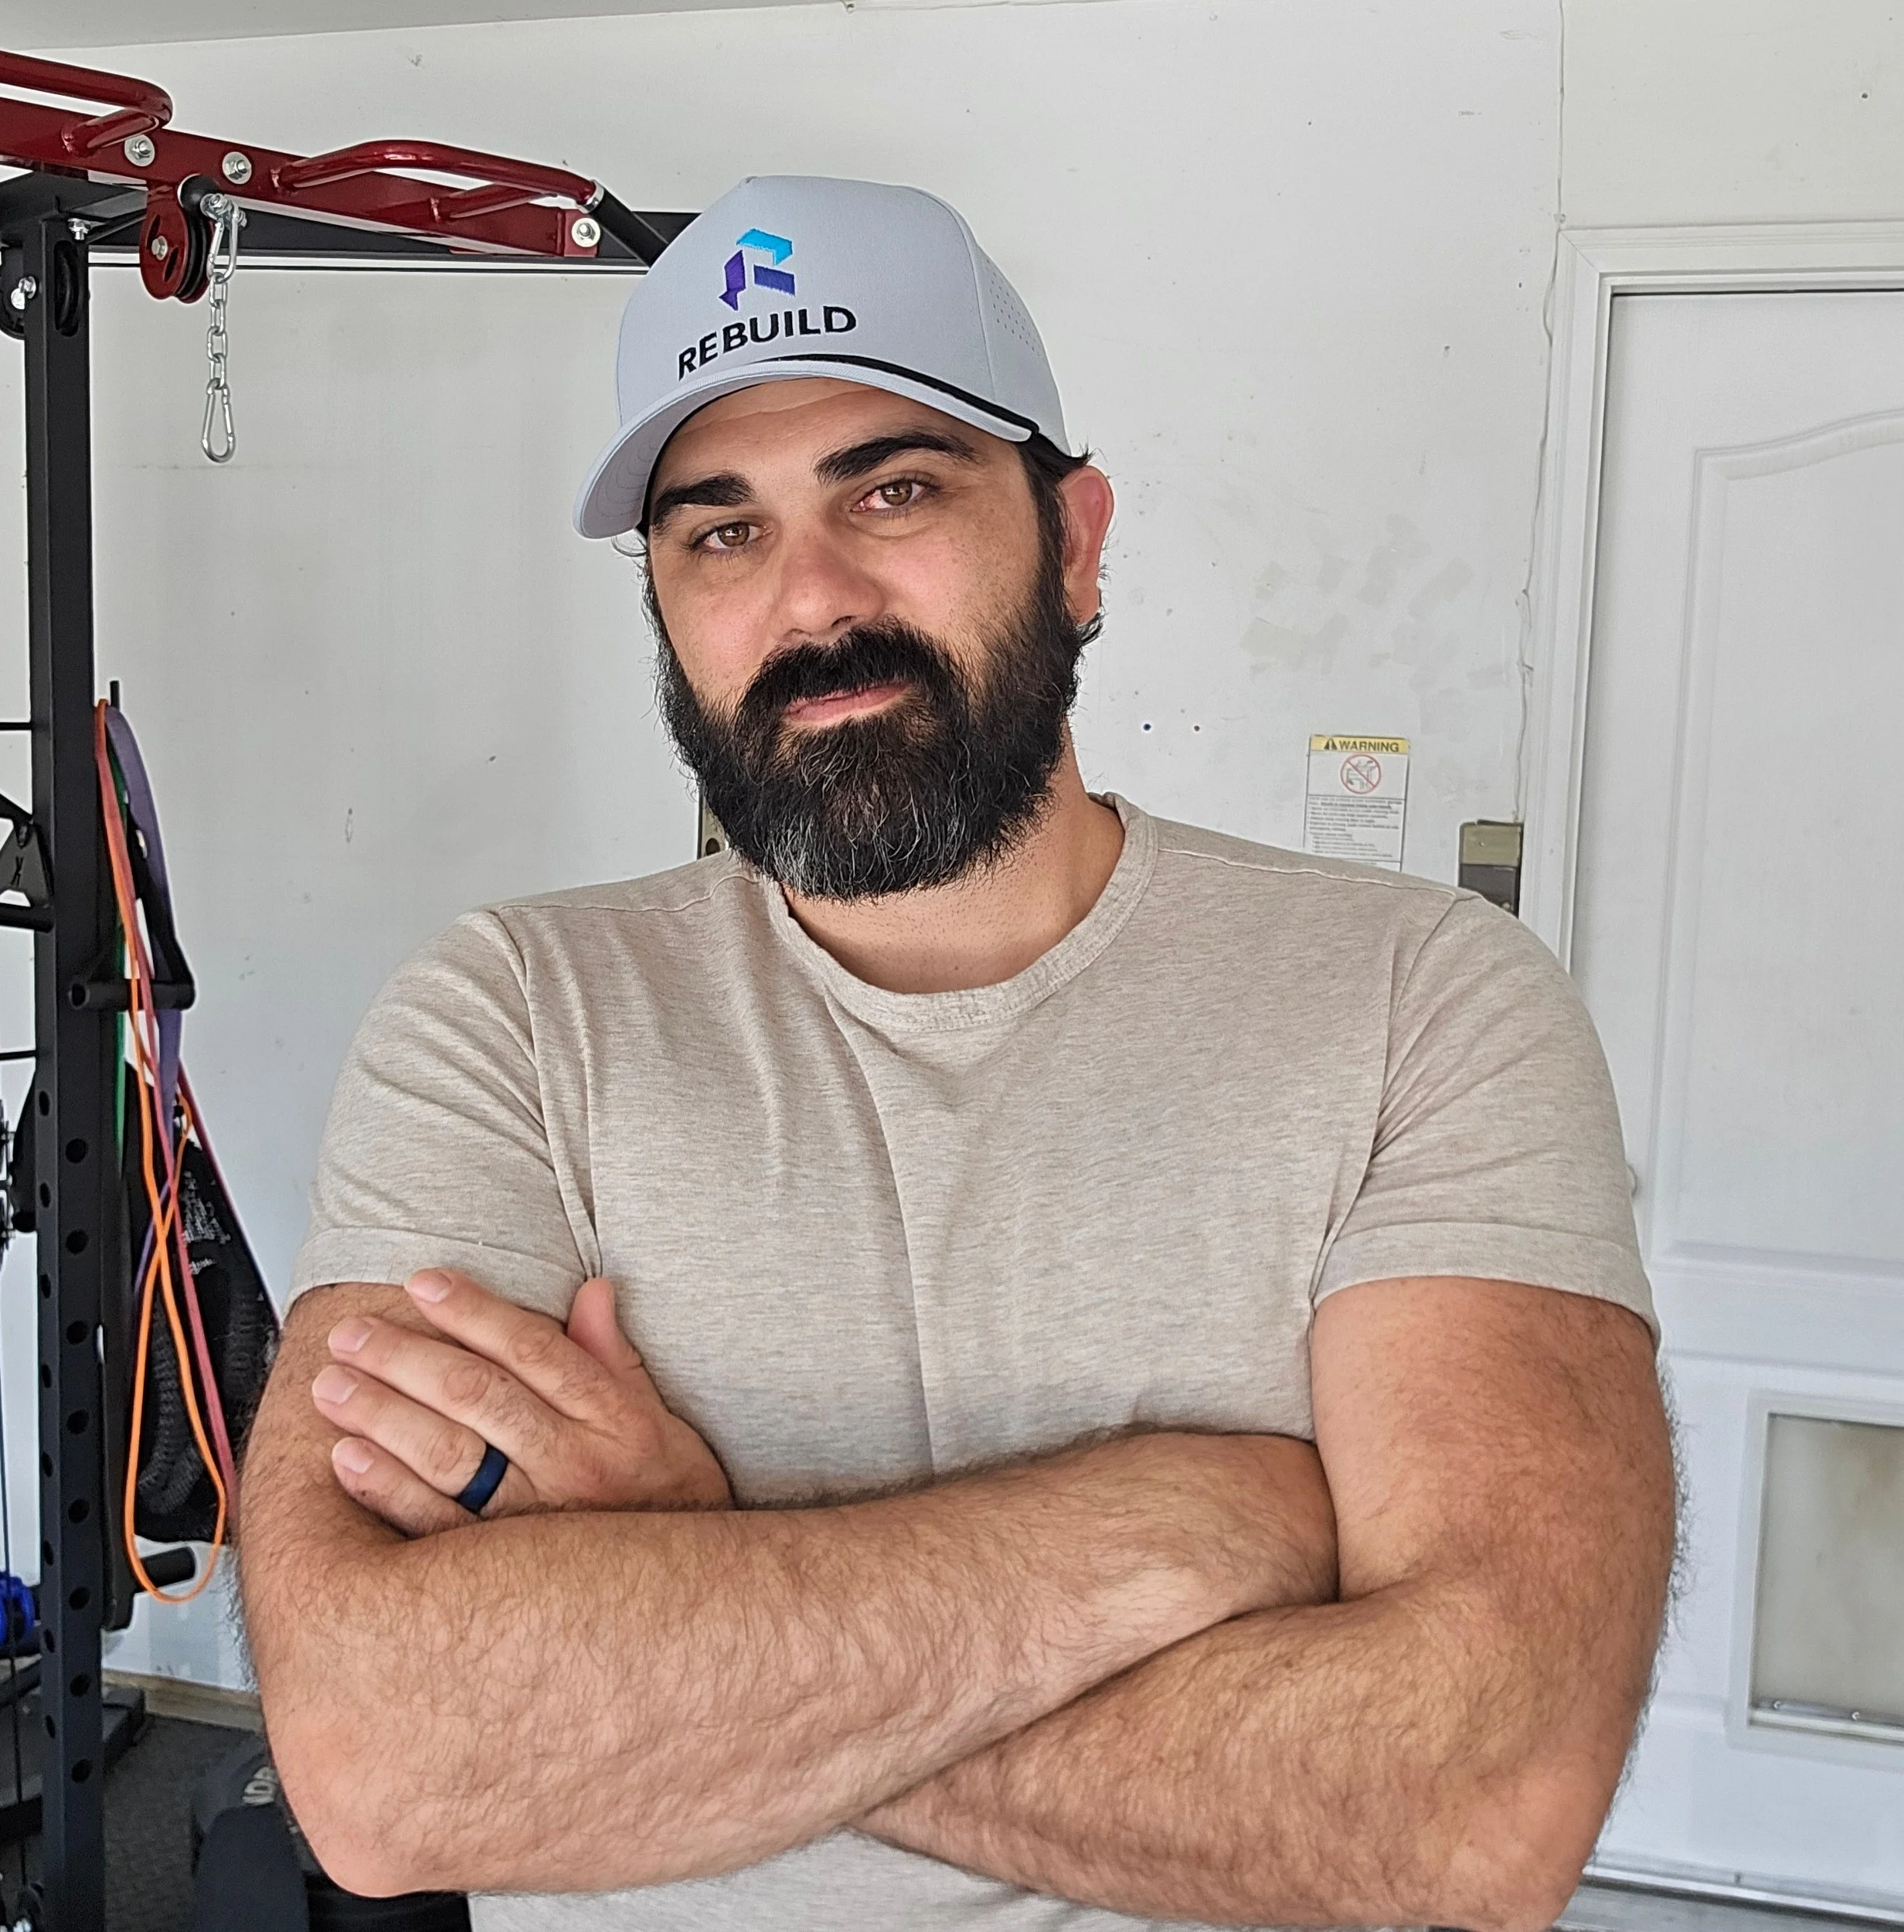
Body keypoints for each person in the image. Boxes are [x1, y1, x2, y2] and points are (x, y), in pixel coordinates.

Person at [239, 175, 1674, 1932]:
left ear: (1073, 539)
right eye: (718, 532)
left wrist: (690, 1582)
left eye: (893, 490)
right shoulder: (511, 1016)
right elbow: (379, 1765)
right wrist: (1175, 1527)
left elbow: (1474, 1807)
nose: (812, 600)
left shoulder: (1419, 1000)